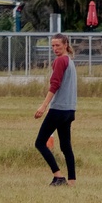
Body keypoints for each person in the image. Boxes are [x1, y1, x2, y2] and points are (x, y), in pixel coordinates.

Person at [34, 32, 77, 186]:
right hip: (70, 110)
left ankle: (58, 176)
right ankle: (72, 181)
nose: (55, 48)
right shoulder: (70, 62)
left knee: (39, 143)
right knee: (66, 146)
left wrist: (43, 105)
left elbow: (55, 84)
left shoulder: (60, 61)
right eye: (52, 45)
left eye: (58, 45)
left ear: (65, 45)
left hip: (58, 109)